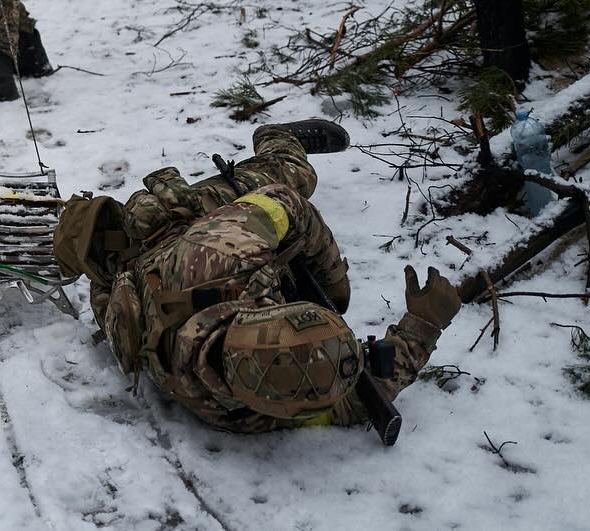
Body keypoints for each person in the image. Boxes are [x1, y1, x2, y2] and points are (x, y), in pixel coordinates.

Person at [53, 118, 461, 433]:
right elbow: (357, 400)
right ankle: (280, 142)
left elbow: (286, 205)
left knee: (290, 179)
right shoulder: (262, 406)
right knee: (294, 177)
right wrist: (421, 324)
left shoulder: (218, 256)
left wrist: (333, 290)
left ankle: (276, 138)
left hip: (185, 235)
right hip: (168, 268)